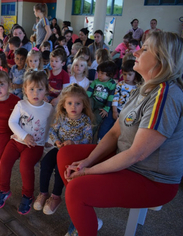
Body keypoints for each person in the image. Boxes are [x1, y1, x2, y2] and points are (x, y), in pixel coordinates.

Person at [57, 31, 183, 236]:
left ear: (162, 58)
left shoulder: (165, 94)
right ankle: (87, 219)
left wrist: (86, 172)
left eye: (145, 48)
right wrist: (87, 162)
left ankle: (83, 220)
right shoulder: (144, 88)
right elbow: (115, 133)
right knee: (66, 155)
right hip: (128, 159)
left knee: (77, 190)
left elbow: (137, 154)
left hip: (151, 178)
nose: (137, 51)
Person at [0, 70, 54, 215]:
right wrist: (24, 135)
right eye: (31, 89)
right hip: (17, 141)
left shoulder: (49, 108)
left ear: (46, 90)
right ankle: (3, 189)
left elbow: (52, 126)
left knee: (25, 166)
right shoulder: (21, 104)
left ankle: (28, 195)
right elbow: (12, 122)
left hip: (35, 145)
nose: (35, 93)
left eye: (40, 89)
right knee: (4, 162)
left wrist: (48, 141)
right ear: (25, 89)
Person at [34, 84, 94, 215]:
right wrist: (56, 141)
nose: (73, 106)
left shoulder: (85, 120)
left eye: (78, 103)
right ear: (64, 105)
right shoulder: (61, 116)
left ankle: (55, 196)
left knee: (61, 169)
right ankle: (43, 193)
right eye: (70, 103)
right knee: (45, 164)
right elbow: (52, 130)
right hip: (59, 149)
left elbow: (88, 139)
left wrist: (73, 142)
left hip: (74, 153)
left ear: (83, 105)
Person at [87, 61, 116, 140]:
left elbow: (111, 97)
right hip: (93, 101)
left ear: (110, 74)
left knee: (96, 119)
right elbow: (89, 91)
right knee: (88, 100)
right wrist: (85, 99)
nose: (99, 75)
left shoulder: (112, 84)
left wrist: (106, 109)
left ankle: (90, 137)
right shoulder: (96, 81)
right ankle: (86, 115)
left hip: (102, 106)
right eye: (98, 73)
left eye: (102, 73)